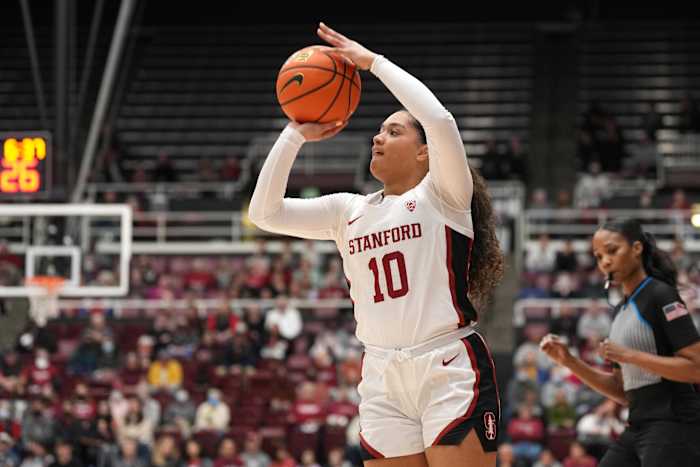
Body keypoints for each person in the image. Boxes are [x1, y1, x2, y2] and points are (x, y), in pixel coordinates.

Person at [249, 22, 503, 467]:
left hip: (446, 364)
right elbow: (264, 213)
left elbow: (439, 120)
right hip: (381, 373)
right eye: (379, 131)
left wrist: (375, 64)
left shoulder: (443, 196)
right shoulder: (348, 210)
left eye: (392, 131)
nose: (377, 137)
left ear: (425, 152)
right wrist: (294, 134)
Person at [540, 218, 700, 467]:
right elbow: (622, 391)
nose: (605, 261)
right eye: (598, 255)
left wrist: (629, 356)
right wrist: (570, 361)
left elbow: (695, 368)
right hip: (637, 424)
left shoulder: (661, 295)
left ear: (637, 248)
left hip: (674, 423)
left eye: (612, 250)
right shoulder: (621, 311)